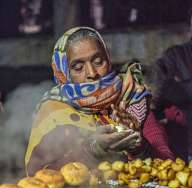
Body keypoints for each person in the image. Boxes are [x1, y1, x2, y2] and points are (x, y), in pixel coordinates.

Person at [25, 27, 174, 176]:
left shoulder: (132, 98)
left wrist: (138, 147)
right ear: (63, 73)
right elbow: (37, 177)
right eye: (78, 67)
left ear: (108, 61)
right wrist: (91, 151)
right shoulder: (54, 112)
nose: (92, 73)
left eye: (98, 61)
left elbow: (167, 165)